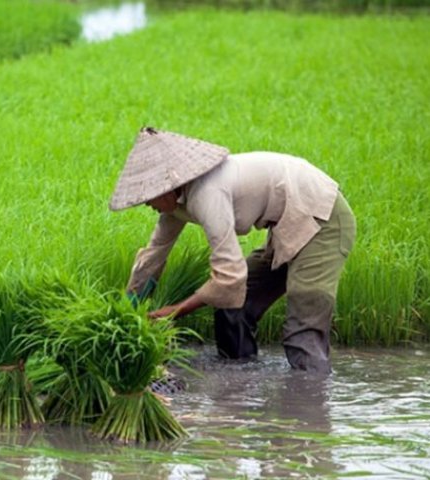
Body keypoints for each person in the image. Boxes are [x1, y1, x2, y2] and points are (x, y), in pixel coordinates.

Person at [109, 127, 356, 373]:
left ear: (167, 187)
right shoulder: (175, 203)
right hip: (289, 224)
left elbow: (230, 276)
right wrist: (130, 305)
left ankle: (310, 398)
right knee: (235, 308)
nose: (147, 204)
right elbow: (155, 254)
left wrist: (176, 311)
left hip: (322, 218)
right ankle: (241, 386)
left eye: (149, 197)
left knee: (302, 330)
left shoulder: (208, 194)